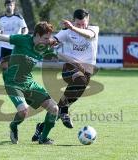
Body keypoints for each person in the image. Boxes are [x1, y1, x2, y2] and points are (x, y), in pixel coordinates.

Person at [0, 21, 58, 145]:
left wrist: (76, 63)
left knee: (54, 109)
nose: (48, 40)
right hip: (12, 83)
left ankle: (43, 138)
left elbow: (59, 54)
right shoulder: (22, 40)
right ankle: (14, 126)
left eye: (49, 38)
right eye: (45, 38)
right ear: (36, 35)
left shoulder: (45, 47)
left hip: (29, 83)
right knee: (23, 111)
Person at [32, 9, 99, 137]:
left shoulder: (93, 29)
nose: (81, 26)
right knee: (78, 83)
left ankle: (41, 127)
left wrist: (73, 28)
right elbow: (55, 40)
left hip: (86, 73)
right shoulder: (67, 32)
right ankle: (64, 111)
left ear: (88, 20)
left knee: (62, 105)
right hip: (70, 68)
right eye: (78, 24)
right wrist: (49, 42)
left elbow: (88, 35)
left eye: (83, 23)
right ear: (73, 20)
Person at [0, 0, 28, 70]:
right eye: (8, 5)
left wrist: (23, 36)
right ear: (5, 6)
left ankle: (15, 80)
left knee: (14, 67)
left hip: (15, 47)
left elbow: (25, 29)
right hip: (4, 46)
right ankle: (7, 81)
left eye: (11, 5)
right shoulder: (2, 18)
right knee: (4, 68)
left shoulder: (18, 17)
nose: (9, 7)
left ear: (14, 7)